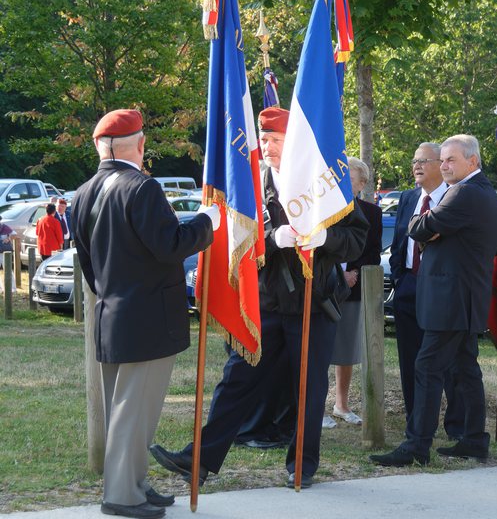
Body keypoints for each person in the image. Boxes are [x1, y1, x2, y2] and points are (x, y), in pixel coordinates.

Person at [150, 106, 368, 488]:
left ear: (293, 141)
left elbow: (357, 237)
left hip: (313, 303)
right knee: (237, 380)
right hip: (266, 302)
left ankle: (301, 464)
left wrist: (325, 238)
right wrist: (270, 239)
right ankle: (199, 459)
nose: (267, 146)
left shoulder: (325, 181)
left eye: (275, 139)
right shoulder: (251, 182)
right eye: (263, 139)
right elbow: (234, 237)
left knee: (308, 388)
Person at [72, 109, 217, 519]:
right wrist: (205, 223)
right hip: (148, 317)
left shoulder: (82, 193)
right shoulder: (143, 187)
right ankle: (123, 494)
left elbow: (89, 265)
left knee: (127, 411)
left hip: (111, 314)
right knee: (134, 413)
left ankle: (134, 483)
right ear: (140, 144)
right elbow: (170, 245)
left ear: (99, 148)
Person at [371, 134, 497, 467]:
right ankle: (474, 439)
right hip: (465, 298)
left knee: (427, 367)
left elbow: (419, 227)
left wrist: (425, 226)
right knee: (465, 369)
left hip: (451, 299)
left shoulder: (464, 193)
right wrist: (430, 229)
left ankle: (417, 445)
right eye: (441, 160)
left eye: (451, 160)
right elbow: (428, 230)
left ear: (473, 161)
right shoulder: (485, 193)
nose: (444, 166)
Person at [387, 142, 465, 441]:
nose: (416, 166)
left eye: (423, 160)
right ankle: (416, 423)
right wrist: (400, 278)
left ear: (441, 164)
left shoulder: (455, 196)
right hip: (409, 285)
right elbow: (399, 242)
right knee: (410, 359)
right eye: (414, 161)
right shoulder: (408, 198)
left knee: (449, 360)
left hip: (443, 290)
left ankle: (456, 426)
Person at [325, 157, 383, 428]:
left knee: (346, 348)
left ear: (362, 184)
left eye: (349, 178)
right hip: (322, 288)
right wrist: (338, 274)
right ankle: (315, 407)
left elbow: (372, 251)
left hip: (352, 289)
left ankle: (342, 404)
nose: (343, 182)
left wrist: (353, 273)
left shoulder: (372, 213)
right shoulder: (323, 208)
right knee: (317, 349)